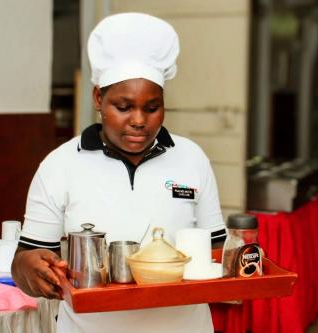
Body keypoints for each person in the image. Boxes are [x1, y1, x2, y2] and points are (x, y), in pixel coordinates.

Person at [11, 12, 225, 333]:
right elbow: (26, 258)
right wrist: (29, 269)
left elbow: (217, 249)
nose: (139, 120)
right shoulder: (60, 164)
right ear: (99, 98)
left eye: (152, 108)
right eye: (123, 107)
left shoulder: (192, 158)